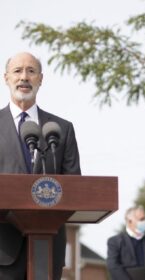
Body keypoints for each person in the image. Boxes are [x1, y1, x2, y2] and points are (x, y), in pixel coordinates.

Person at [0, 52, 81, 279]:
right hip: (3, 247)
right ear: (6, 78)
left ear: (41, 79)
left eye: (31, 71)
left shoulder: (61, 129)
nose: (24, 77)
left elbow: (75, 186)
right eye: (17, 71)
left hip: (49, 247)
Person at [107, 205, 145, 280]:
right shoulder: (115, 242)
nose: (144, 222)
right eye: (141, 219)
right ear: (129, 221)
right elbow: (113, 265)